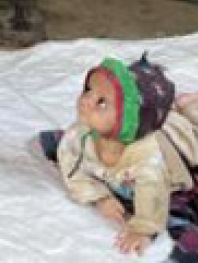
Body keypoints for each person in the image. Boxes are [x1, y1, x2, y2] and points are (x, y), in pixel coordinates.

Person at [38, 56, 198, 260]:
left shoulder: (148, 159)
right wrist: (99, 197)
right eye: (88, 90)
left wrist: (143, 229)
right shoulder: (80, 135)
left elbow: (154, 197)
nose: (85, 100)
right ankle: (178, 106)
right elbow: (71, 163)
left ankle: (188, 105)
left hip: (178, 136)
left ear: (127, 122)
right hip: (148, 124)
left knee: (190, 120)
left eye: (101, 102)